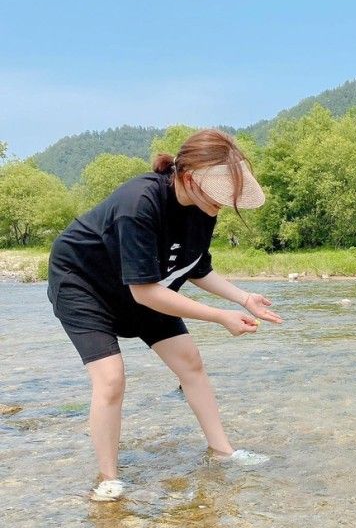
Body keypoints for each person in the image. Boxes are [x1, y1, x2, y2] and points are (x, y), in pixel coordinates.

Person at [47, 129, 282, 501]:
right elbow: (145, 292)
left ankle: (223, 452)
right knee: (110, 379)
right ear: (188, 177)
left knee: (191, 362)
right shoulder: (139, 203)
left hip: (145, 284)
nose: (222, 204)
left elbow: (196, 267)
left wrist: (244, 298)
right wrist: (220, 316)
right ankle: (108, 478)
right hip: (85, 284)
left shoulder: (204, 210)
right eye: (219, 194)